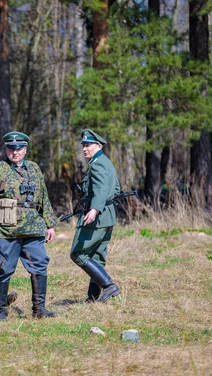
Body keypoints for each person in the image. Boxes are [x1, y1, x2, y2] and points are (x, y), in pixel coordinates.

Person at [0, 131, 58, 320]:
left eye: (19, 148)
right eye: (11, 148)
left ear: (25, 149)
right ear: (6, 149)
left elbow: (43, 197)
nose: (15, 152)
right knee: (3, 269)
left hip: (33, 228)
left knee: (39, 266)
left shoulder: (34, 168)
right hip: (7, 230)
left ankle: (39, 310)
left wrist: (50, 224)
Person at [70, 129, 121, 303]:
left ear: (98, 146)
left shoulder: (98, 164)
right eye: (83, 145)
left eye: (88, 145)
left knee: (78, 254)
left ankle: (109, 286)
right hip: (108, 216)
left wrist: (94, 209)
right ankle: (93, 298)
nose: (85, 148)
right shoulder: (106, 162)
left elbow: (100, 189)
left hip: (97, 217)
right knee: (97, 256)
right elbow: (116, 190)